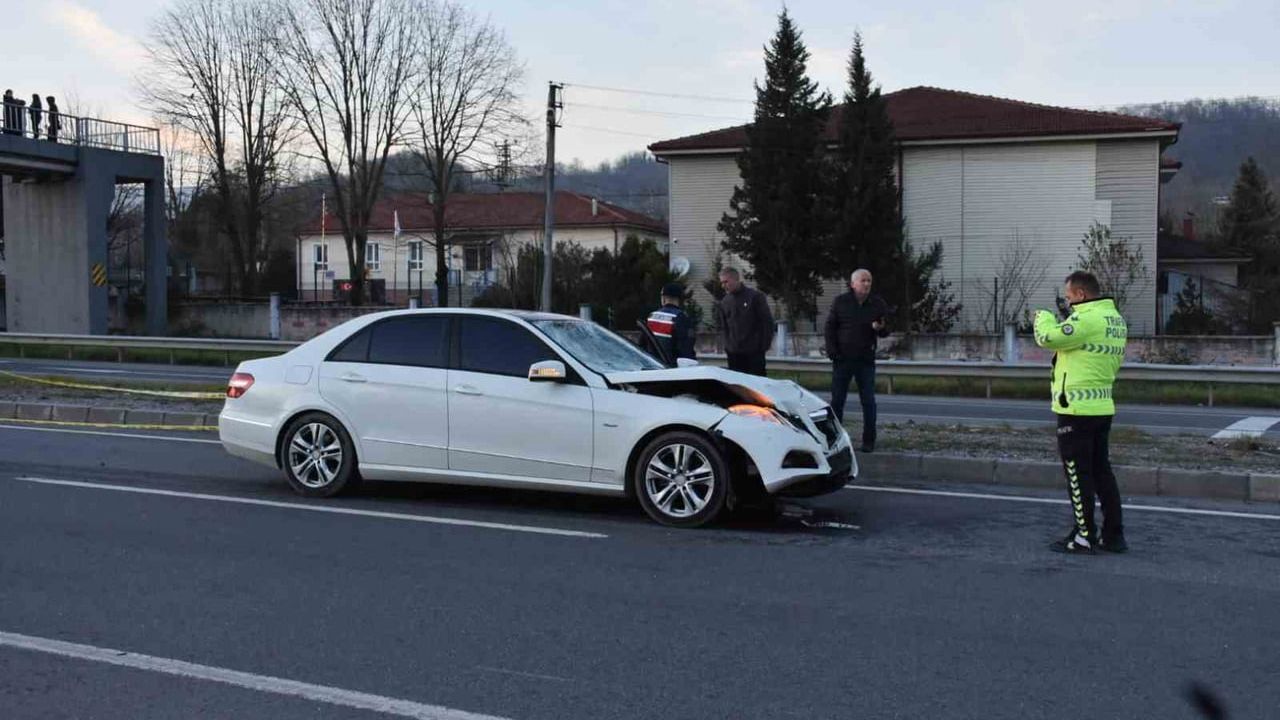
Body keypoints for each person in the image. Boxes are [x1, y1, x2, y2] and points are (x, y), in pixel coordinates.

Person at [1033, 270, 1128, 555]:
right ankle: (1114, 535)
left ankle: (1084, 535)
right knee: (1102, 472)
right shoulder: (1114, 319)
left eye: (1068, 296)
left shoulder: (1086, 318)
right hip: (1101, 406)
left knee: (1078, 473)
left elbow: (1048, 338)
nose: (1067, 303)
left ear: (1081, 295)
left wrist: (1042, 317)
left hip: (1075, 408)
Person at [824, 268, 890, 452]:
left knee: (868, 401)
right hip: (843, 359)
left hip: (865, 360)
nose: (867, 284)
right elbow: (830, 328)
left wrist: (879, 328)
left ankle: (869, 440)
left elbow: (886, 330)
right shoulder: (841, 302)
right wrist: (833, 352)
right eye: (863, 280)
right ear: (853, 284)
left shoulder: (877, 303)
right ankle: (834, 438)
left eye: (869, 280)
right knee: (837, 401)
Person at [715, 266, 774, 376]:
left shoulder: (755, 297)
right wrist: (728, 347)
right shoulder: (725, 302)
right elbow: (723, 327)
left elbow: (767, 322)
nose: (724, 286)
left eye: (726, 282)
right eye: (722, 283)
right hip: (734, 355)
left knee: (756, 386)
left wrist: (763, 346)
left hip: (754, 353)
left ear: (735, 279)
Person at [645, 282, 697, 367]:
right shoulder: (681, 318)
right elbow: (686, 350)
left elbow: (643, 345)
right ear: (679, 299)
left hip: (652, 366)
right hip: (671, 369)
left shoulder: (651, 317)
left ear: (663, 298)